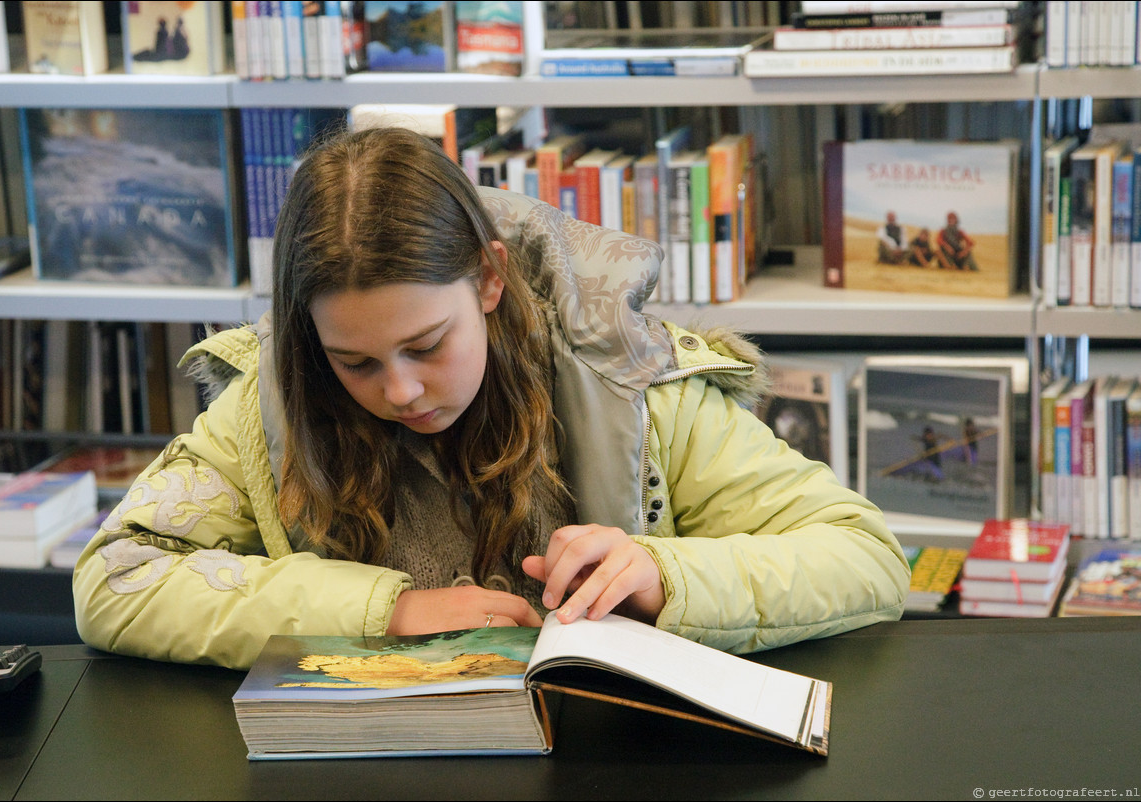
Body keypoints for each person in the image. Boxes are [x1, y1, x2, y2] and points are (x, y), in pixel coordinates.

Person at [72, 127, 909, 671]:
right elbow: (115, 579)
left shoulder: (630, 381)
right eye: (352, 362)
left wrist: (662, 573)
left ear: (490, 280)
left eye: (426, 347)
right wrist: (385, 609)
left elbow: (864, 556)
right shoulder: (272, 400)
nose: (398, 391)